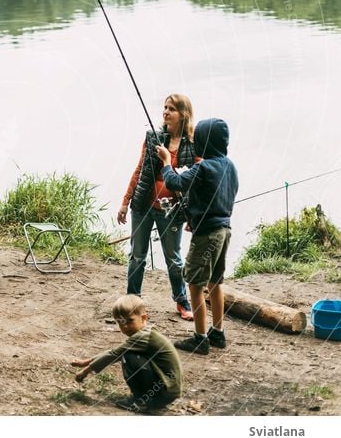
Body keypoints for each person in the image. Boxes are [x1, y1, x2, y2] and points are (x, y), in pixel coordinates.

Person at [156, 118, 239, 355]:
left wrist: (166, 161)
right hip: (225, 230)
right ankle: (218, 333)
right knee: (215, 282)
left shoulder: (202, 167)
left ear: (204, 142)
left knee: (194, 284)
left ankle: (200, 338)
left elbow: (174, 182)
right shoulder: (230, 166)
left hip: (207, 235)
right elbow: (223, 193)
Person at [117, 94, 198, 320]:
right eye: (164, 107)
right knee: (137, 256)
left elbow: (197, 183)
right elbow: (139, 169)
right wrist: (125, 202)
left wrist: (193, 216)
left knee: (173, 258)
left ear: (184, 114)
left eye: (171, 109)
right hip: (143, 206)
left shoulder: (193, 145)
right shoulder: (153, 137)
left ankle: (181, 300)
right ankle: (133, 301)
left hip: (172, 212)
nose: (165, 112)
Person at [71, 294, 183, 413]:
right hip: (169, 390)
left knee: (128, 356)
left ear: (144, 317)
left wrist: (86, 370)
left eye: (130, 320)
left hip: (164, 391)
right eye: (120, 322)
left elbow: (114, 354)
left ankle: (141, 400)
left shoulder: (142, 337)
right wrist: (86, 362)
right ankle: (149, 399)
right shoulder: (147, 332)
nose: (125, 326)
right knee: (127, 353)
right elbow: (113, 352)